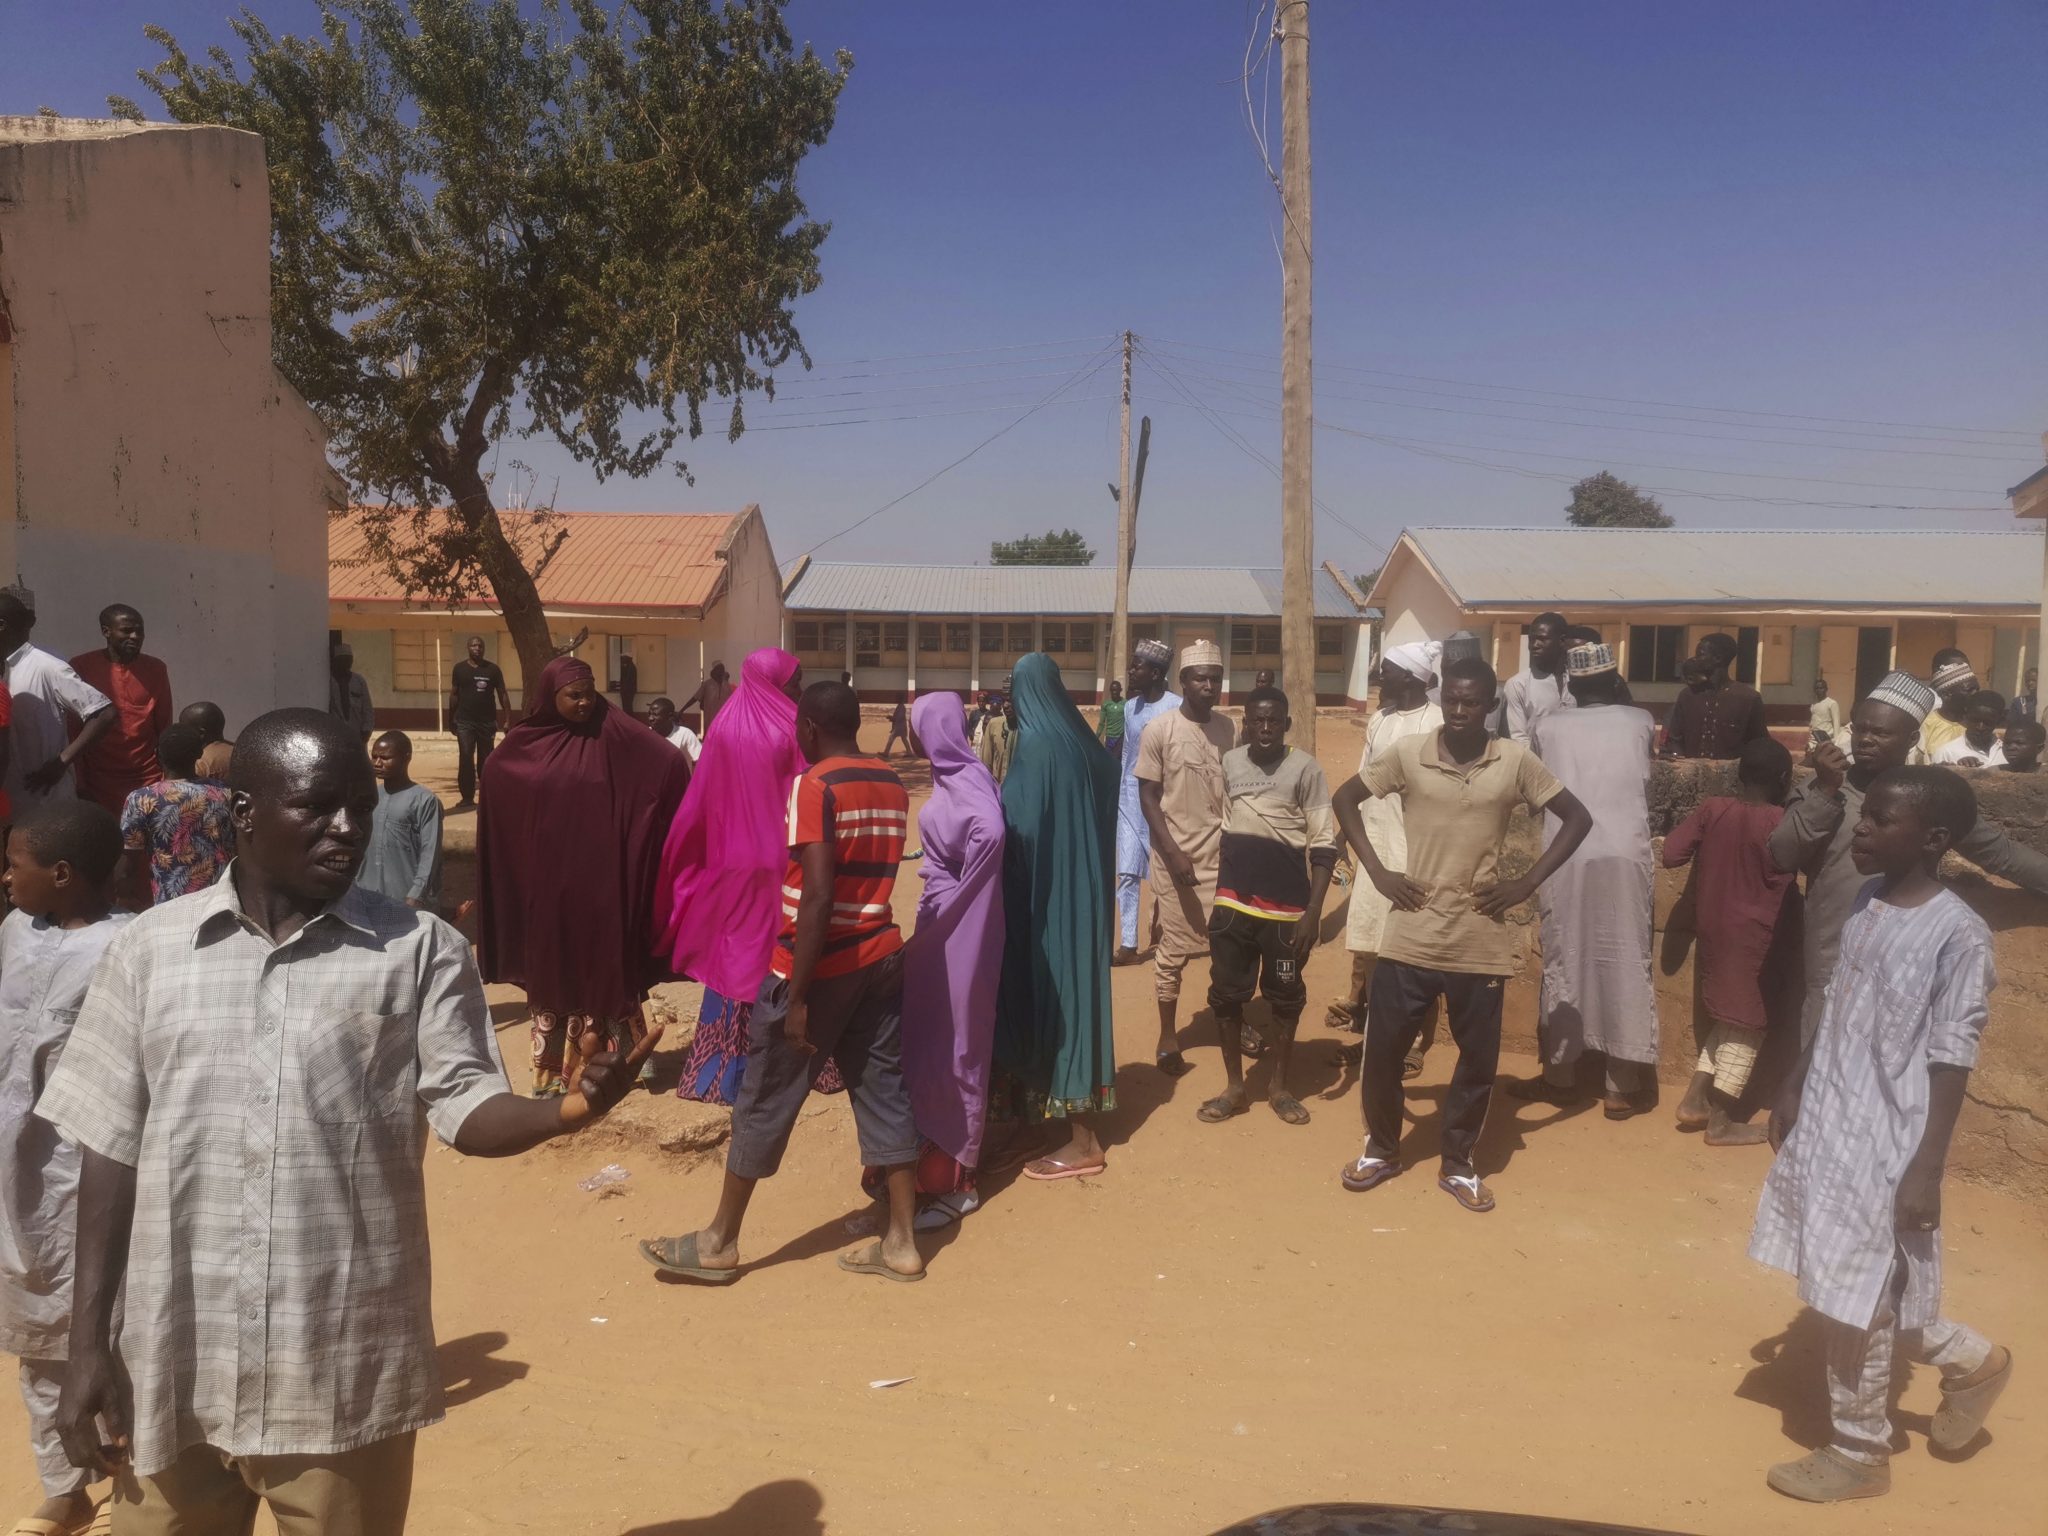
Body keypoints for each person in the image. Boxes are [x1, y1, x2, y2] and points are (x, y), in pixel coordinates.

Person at [35, 708, 655, 1535]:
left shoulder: (420, 951)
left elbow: (466, 1106)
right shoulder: (150, 951)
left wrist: (569, 1109)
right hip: (175, 1360)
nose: (348, 829)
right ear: (244, 811)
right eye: (319, 806)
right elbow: (108, 1151)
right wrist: (85, 1351)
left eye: (361, 807)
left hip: (337, 1365)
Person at [1749, 767, 2012, 1503]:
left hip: (1890, 1139)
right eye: (1865, 817)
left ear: (1931, 839)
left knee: (1852, 1293)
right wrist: (1797, 1081)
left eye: (1879, 820)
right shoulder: (1867, 900)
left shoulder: (1959, 934)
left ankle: (1861, 1451)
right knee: (1858, 1284)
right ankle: (1974, 1361)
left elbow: (1951, 1055)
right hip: (1835, 1117)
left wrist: (1926, 1170)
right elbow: (1838, 1002)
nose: (1860, 829)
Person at [639, 681, 924, 1285]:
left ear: (812, 729)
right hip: (879, 954)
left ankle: (720, 1241)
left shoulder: (813, 784)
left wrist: (796, 995)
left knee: (764, 1098)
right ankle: (902, 1241)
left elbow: (818, 892)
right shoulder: (891, 781)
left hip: (820, 966)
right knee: (883, 1089)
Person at [1331, 656, 1593, 1213]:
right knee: (1382, 1053)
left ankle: (1458, 1162)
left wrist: (1526, 882)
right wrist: (1377, 873)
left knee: (1476, 1062)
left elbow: (1577, 818)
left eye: (1471, 701)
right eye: (1451, 698)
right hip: (1410, 935)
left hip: (1479, 939)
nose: (1458, 710)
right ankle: (1381, 1148)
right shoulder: (1408, 753)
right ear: (1441, 696)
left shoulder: (1514, 761)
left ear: (1490, 705)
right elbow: (1345, 799)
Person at [1772, 672, 2048, 1048]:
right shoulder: (1824, 788)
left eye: (1881, 733)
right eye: (1861, 729)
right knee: (1822, 1051)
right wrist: (1824, 791)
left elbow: (1998, 853)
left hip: (1907, 954)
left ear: (1912, 739)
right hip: (1832, 951)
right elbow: (1782, 854)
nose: (1866, 739)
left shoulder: (1932, 794)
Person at [0, 801, 131, 1536]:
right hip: (18, 1172)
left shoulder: (128, 945)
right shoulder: (17, 931)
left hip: (89, 1169)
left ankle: (129, 1478)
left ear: (60, 873)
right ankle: (66, 1484)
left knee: (108, 1329)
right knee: (35, 1332)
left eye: (14, 863)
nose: (5, 876)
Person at [478, 656, 690, 1095]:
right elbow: (499, 775)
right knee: (555, 968)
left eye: (590, 694)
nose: (584, 703)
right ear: (550, 697)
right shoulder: (526, 743)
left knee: (607, 963)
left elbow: (666, 760)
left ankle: (627, 1065)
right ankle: (556, 1074)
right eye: (574, 695)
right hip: (549, 886)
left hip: (604, 882)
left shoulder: (614, 732)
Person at [654, 649, 847, 1106]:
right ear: (775, 682)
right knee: (786, 951)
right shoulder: (792, 729)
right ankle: (799, 1064)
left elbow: (702, 798)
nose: (799, 692)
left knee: (735, 956)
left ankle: (719, 1072)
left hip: (732, 862)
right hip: (784, 860)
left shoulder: (723, 725)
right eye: (795, 683)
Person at [991, 652, 1120, 1180]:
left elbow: (1014, 828)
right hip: (1083, 895)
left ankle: (1084, 1141)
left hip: (1047, 901)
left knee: (1056, 999)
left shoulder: (1039, 748)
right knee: (1074, 996)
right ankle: (1037, 1120)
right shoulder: (1081, 744)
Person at [1518, 644, 1660, 1117]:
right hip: (1624, 851)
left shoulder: (1548, 725)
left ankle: (1560, 1074)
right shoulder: (1640, 720)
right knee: (1626, 957)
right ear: (1614, 677)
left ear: (1571, 683)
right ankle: (1621, 1083)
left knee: (1565, 957)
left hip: (1565, 854)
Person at [884, 692, 1007, 1227]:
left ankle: (960, 1182)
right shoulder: (953, 777)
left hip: (964, 931)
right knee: (930, 1041)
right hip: (939, 924)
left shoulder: (970, 787)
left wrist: (957, 904)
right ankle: (928, 1165)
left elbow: (992, 835)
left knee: (960, 1046)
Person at [1197, 686, 1337, 1126]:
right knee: (1226, 997)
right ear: (1246, 723)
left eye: (1273, 720)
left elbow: (1323, 843)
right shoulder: (1231, 763)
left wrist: (1313, 912)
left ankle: (1279, 1087)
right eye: (1256, 720)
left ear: (1286, 724)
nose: (1264, 728)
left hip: (1285, 916)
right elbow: (1225, 825)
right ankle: (1235, 1088)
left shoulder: (1306, 769)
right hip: (1234, 906)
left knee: (1285, 999)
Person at [1663, 737, 1801, 1145]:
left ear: (1738, 776)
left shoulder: (1712, 809)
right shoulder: (1782, 820)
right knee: (1749, 1023)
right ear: (1784, 778)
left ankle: (1694, 1099)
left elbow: (1671, 853)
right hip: (1757, 937)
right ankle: (1721, 1121)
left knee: (1729, 1017)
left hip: (1713, 930)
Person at [1333, 643, 1444, 1066]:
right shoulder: (1378, 721)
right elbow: (1362, 782)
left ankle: (1412, 1044)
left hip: (1417, 849)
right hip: (1375, 851)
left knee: (1413, 949)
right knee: (1375, 951)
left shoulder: (1437, 722)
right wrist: (1347, 832)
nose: (1381, 675)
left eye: (1390, 669)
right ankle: (1375, 1041)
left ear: (1413, 677)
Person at [1137, 641, 1236, 1077]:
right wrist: (1173, 852)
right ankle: (1168, 1035)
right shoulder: (1160, 729)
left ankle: (1230, 1022)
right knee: (1174, 950)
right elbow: (1149, 797)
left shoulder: (1229, 729)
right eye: (1200, 678)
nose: (1209, 685)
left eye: (1215, 677)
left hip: (1223, 857)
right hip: (1175, 859)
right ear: (1184, 681)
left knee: (1229, 949)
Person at [0, 591, 115, 813]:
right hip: (11, 803)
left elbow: (104, 713)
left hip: (46, 803)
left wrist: (62, 762)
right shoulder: (5, 668)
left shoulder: (46, 666)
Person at [70, 603, 174, 816]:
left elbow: (164, 726)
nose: (135, 636)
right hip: (98, 782)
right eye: (127, 630)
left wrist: (167, 777)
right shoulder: (81, 667)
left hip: (147, 779)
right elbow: (73, 730)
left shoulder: (156, 669)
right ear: (106, 631)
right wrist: (79, 783)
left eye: (140, 631)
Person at [1113, 640, 1181, 965]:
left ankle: (1170, 934)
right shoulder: (1130, 707)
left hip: (1161, 802)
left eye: (1136, 666)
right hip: (1129, 800)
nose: (1131, 671)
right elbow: (1127, 753)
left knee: (1163, 874)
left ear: (1155, 673)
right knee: (1126, 873)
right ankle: (1128, 943)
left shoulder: (1175, 706)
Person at [117, 723, 234, 908]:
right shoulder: (224, 794)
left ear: (157, 755)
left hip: (170, 905)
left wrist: (126, 901)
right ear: (199, 755)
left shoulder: (142, 799)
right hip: (220, 901)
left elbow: (127, 864)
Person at [358, 731, 444, 912]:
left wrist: (416, 894)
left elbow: (430, 852)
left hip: (405, 899)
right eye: (374, 757)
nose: (377, 763)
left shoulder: (425, 801)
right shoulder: (369, 797)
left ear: (406, 758)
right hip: (365, 895)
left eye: (385, 758)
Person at [1667, 633, 1767, 759]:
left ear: (1718, 658)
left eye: (1700, 655)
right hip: (1692, 775)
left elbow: (1759, 744)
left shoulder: (1748, 698)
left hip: (1731, 776)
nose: (1695, 660)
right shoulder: (1688, 695)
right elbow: (1674, 739)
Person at [447, 635, 509, 810]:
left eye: (480, 646)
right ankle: (467, 797)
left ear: (484, 648)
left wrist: (507, 719)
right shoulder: (459, 669)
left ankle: (487, 796)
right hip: (465, 722)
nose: (477, 648)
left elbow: (502, 693)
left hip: (487, 722)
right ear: (468, 648)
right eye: (473, 645)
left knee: (486, 759)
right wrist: (450, 719)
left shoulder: (493, 670)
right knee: (466, 757)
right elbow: (454, 695)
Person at [1501, 611, 1572, 746]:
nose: (1534, 645)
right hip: (1537, 763)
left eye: (1542, 639)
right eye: (1532, 639)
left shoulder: (1579, 681)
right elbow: (1519, 739)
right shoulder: (1518, 684)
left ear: (1562, 641)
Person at [1919, 649, 1976, 760]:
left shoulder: (1978, 724)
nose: (1975, 694)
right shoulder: (1926, 725)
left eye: (1977, 689)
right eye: (1970, 690)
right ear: (1946, 694)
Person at [1930, 691, 2006, 768]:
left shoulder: (2007, 752)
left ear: (1999, 721)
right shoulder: (1947, 753)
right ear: (1966, 716)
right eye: (1975, 720)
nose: (1980, 727)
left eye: (1987, 722)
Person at [328, 643, 374, 744]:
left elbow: (367, 709)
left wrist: (366, 730)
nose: (346, 663)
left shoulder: (359, 681)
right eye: (342, 660)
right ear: (335, 661)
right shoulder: (329, 682)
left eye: (349, 659)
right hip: (335, 734)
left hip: (357, 734)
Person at [179, 702, 234, 784]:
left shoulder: (201, 764)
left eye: (184, 729)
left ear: (201, 733)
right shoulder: (239, 751)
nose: (181, 734)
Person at [680, 662, 734, 736]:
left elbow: (733, 702)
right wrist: (682, 710)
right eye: (718, 669)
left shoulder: (727, 686)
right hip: (710, 722)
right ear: (714, 671)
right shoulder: (707, 684)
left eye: (722, 669)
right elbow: (695, 698)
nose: (720, 671)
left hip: (724, 723)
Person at [643, 696, 702, 764]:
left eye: (655, 715)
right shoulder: (646, 735)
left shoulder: (685, 734)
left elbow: (701, 761)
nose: (650, 718)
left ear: (669, 716)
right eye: (649, 714)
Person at [974, 690, 1014, 782]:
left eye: (1010, 701)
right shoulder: (993, 723)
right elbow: (987, 763)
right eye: (1004, 701)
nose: (1006, 706)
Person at [1095, 678, 1125, 756]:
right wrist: (1096, 737)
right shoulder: (1106, 704)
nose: (1114, 692)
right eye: (1112, 690)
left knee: (1119, 760)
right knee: (1109, 758)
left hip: (1121, 738)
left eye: (1116, 690)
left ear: (1120, 690)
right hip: (1109, 737)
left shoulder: (1126, 704)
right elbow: (1101, 723)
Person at [1808, 678, 1841, 748]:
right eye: (1817, 688)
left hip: (1826, 737)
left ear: (1826, 689)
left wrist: (1836, 740)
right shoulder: (1814, 704)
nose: (1819, 690)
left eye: (1821, 688)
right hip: (1813, 737)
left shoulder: (1832, 703)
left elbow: (1836, 722)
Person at [615, 650, 638, 718]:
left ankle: (629, 720)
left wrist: (622, 689)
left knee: (627, 707)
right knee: (627, 707)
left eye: (624, 658)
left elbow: (627, 680)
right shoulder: (629, 667)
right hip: (627, 691)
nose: (622, 660)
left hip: (628, 691)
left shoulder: (630, 668)